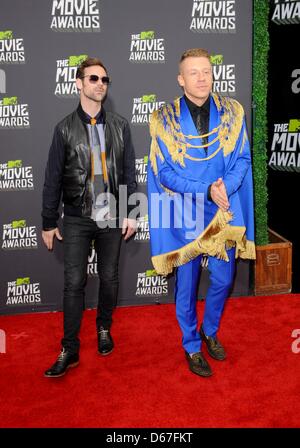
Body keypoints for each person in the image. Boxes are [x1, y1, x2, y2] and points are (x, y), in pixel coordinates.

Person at [147, 48, 255, 377]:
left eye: (207, 71)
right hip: (186, 210)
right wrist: (204, 189)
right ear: (181, 80)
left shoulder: (234, 112)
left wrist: (224, 188)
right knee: (187, 283)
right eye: (194, 72)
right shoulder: (163, 118)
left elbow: (242, 160)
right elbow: (162, 172)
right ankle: (192, 344)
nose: (202, 77)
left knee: (223, 279)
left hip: (224, 208)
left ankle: (209, 330)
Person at [42, 57, 137, 378]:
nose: (100, 84)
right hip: (77, 217)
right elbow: (52, 178)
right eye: (93, 78)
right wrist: (47, 221)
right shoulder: (64, 129)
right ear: (78, 83)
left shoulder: (121, 126)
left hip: (111, 215)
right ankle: (69, 348)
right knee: (73, 283)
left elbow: (128, 174)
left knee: (109, 278)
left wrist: (131, 213)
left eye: (105, 79)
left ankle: (104, 329)